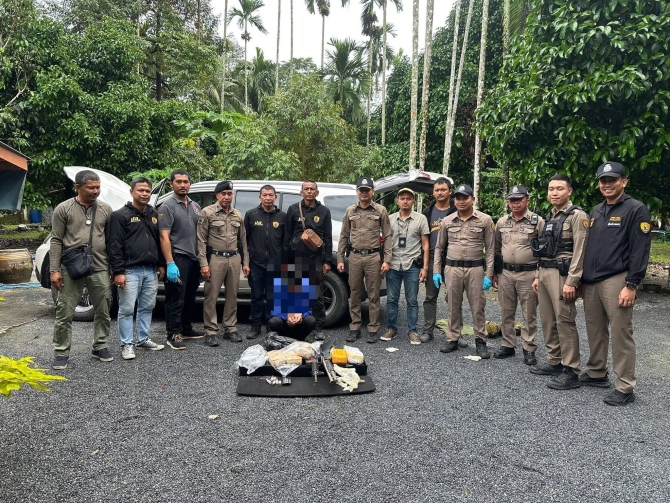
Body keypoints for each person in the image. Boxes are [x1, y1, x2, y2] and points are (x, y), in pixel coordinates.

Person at [580, 162, 651, 406]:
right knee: (595, 329)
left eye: (613, 180)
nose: (607, 184)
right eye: (603, 180)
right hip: (592, 280)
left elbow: (640, 249)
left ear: (624, 181)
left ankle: (625, 386)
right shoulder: (597, 210)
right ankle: (597, 372)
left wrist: (631, 284)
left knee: (621, 332)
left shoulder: (636, 209)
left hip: (617, 279)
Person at [50, 170, 114, 369]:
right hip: (71, 268)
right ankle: (61, 352)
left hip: (100, 266)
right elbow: (56, 240)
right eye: (91, 187)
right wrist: (54, 270)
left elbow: (111, 241)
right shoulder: (64, 208)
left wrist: (114, 267)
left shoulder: (105, 209)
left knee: (103, 309)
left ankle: (100, 346)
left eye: (98, 187)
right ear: (78, 187)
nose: (96, 191)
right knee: (64, 311)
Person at [531, 174, 589, 390]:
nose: (554, 193)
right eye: (551, 189)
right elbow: (544, 249)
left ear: (569, 191)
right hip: (545, 273)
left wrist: (572, 281)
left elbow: (580, 251)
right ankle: (554, 361)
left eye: (559, 189)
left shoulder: (577, 215)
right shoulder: (550, 216)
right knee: (548, 320)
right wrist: (538, 275)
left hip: (562, 275)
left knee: (565, 321)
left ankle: (571, 370)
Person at [107, 177, 166, 360]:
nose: (144, 194)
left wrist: (161, 264)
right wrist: (118, 272)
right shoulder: (120, 215)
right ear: (132, 192)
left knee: (147, 306)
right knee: (126, 309)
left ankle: (143, 339)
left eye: (147, 191)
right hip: (130, 271)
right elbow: (114, 245)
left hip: (150, 270)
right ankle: (126, 344)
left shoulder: (153, 214)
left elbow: (159, 241)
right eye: (141, 190)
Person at [434, 184, 495, 358]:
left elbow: (491, 249)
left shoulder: (485, 220)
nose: (461, 201)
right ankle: (452, 338)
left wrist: (489, 274)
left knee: (478, 306)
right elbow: (439, 247)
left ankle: (480, 341)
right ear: (454, 200)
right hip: (452, 269)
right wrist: (436, 270)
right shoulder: (447, 221)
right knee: (452, 305)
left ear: (473, 199)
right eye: (458, 198)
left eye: (465, 198)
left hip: (475, 269)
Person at [492, 185, 545, 365]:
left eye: (519, 199)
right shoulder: (501, 222)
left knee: (529, 313)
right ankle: (508, 344)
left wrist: (538, 276)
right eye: (512, 200)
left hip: (528, 273)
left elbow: (543, 252)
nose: (515, 203)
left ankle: (528, 347)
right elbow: (496, 249)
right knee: (506, 311)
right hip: (505, 273)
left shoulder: (537, 222)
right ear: (508, 202)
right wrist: (495, 273)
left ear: (527, 200)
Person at [337, 177, 392, 344]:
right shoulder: (350, 211)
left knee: (374, 294)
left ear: (372, 192)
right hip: (354, 257)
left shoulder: (380, 210)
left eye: (367, 190)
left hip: (373, 257)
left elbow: (388, 236)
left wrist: (387, 259)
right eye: (361, 190)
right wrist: (340, 258)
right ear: (357, 192)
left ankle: (373, 328)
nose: (364, 193)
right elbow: (344, 235)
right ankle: (355, 326)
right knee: (355, 293)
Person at [197, 181, 250, 346]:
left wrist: (245, 262)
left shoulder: (237, 214)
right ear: (217, 195)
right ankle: (211, 331)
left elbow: (243, 241)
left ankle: (230, 328)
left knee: (232, 296)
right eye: (223, 194)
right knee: (211, 295)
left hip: (234, 259)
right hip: (215, 259)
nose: (226, 197)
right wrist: (203, 264)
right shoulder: (207, 212)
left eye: (229, 193)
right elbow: (200, 240)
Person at [158, 169, 204, 350]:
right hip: (177, 257)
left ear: (190, 183)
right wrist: (169, 262)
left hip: (193, 258)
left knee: (190, 296)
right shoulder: (167, 206)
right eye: (179, 182)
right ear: (172, 184)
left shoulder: (195, 205)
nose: (183, 185)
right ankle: (173, 333)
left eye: (186, 181)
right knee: (175, 297)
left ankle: (186, 328)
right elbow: (164, 236)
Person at [284, 180, 333, 340]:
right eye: (306, 189)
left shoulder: (324, 211)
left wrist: (327, 261)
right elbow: (287, 236)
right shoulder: (293, 209)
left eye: (312, 189)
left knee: (316, 294)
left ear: (317, 192)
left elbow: (328, 237)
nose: (309, 191)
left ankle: (318, 327)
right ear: (301, 192)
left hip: (316, 259)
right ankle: (296, 324)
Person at [380, 188, 430, 345]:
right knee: (391, 299)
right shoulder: (390, 219)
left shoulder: (421, 219)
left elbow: (425, 245)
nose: (405, 201)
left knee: (412, 300)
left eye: (409, 198)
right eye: (402, 198)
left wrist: (425, 268)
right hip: (393, 264)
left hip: (412, 265)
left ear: (413, 201)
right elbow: (385, 242)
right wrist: (384, 261)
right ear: (397, 201)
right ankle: (392, 329)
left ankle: (412, 331)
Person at [244, 185, 286, 339]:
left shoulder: (282, 216)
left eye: (271, 195)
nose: (268, 198)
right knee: (256, 296)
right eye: (265, 195)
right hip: (256, 263)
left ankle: (271, 326)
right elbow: (245, 240)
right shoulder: (251, 214)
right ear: (260, 197)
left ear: (275, 197)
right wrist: (246, 262)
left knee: (273, 297)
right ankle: (255, 325)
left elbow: (285, 242)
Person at [421, 177, 457, 343]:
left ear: (450, 191)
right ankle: (428, 331)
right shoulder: (427, 212)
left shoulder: (456, 210)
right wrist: (424, 264)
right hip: (432, 258)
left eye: (443, 189)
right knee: (430, 297)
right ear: (433, 192)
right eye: (437, 190)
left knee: (453, 298)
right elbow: (423, 238)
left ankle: (455, 333)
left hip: (452, 259)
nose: (440, 193)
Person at [266, 255, 318, 341]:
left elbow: (308, 309)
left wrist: (300, 315)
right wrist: (287, 316)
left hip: (299, 321)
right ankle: (282, 339)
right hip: (285, 323)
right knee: (273, 322)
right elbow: (275, 310)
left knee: (311, 320)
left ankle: (301, 338)